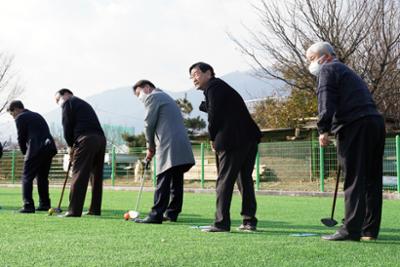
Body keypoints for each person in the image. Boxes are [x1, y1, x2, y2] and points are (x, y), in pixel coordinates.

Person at [306, 42, 385, 241]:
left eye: (312, 59)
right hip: (375, 122)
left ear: (324, 57)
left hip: (355, 125)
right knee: (371, 179)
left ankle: (350, 230)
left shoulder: (328, 69)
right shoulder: (346, 70)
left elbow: (325, 100)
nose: (311, 64)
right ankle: (369, 230)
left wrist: (323, 129)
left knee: (354, 177)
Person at [189, 62, 261, 232]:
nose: (193, 79)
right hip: (249, 138)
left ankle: (221, 223)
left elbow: (215, 115)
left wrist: (212, 137)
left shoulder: (213, 87)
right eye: (191, 76)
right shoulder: (219, 87)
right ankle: (249, 221)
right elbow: (224, 109)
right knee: (244, 180)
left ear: (209, 73)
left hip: (232, 140)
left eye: (196, 74)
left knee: (224, 180)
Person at [132, 80, 195, 224]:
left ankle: (156, 215)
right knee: (176, 179)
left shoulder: (153, 97)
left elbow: (149, 124)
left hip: (168, 143)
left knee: (163, 177)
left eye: (139, 93)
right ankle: (172, 213)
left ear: (147, 88)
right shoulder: (166, 97)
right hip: (180, 142)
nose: (139, 98)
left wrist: (150, 146)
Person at [55, 89, 106, 217]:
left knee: (79, 173)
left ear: (65, 95)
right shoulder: (83, 103)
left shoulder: (68, 103)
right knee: (96, 176)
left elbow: (67, 126)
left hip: (85, 139)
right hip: (100, 139)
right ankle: (95, 209)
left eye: (57, 100)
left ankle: (73, 210)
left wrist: (70, 145)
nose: (58, 104)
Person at [7, 100, 57, 213]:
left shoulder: (20, 117)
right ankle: (45, 204)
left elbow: (21, 138)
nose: (13, 116)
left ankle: (28, 205)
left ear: (16, 109)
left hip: (36, 148)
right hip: (49, 148)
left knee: (26, 177)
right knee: (42, 177)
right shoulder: (36, 115)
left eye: (12, 113)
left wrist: (25, 153)